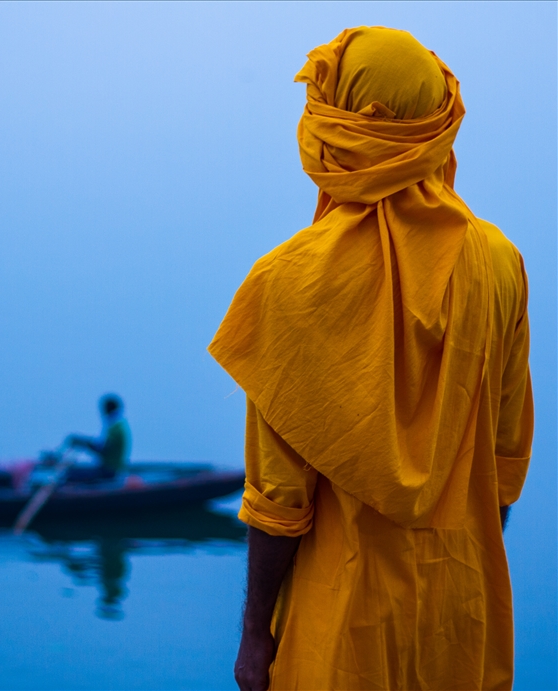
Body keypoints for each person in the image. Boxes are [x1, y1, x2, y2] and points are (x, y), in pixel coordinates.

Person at [207, 27, 533, 691]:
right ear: (436, 125)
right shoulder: (499, 262)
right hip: (461, 613)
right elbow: (504, 462)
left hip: (341, 627)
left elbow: (279, 500)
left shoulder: (288, 283)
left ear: (340, 126)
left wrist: (253, 636)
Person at [64, 394, 131, 483]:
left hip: (110, 470)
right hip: (111, 468)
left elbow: (103, 449)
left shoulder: (116, 428)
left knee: (70, 475)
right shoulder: (118, 425)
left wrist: (84, 443)